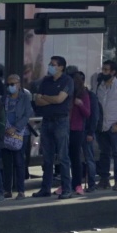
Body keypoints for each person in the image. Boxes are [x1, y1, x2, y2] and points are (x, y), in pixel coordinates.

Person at [33, 55, 74, 199]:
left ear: (61, 67)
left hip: (60, 121)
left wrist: (46, 98)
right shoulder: (46, 80)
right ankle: (45, 189)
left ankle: (66, 189)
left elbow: (60, 99)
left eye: (53, 64)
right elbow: (37, 101)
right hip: (47, 120)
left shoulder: (67, 80)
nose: (50, 66)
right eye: (50, 63)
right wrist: (51, 99)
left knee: (63, 156)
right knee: (47, 158)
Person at [94, 60, 117, 189]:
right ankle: (104, 179)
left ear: (113, 72)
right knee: (104, 153)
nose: (103, 72)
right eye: (103, 69)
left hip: (114, 125)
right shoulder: (100, 85)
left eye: (106, 70)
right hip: (102, 126)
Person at [1, 73, 34, 199]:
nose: (10, 87)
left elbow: (27, 115)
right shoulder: (5, 98)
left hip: (21, 133)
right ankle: (7, 190)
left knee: (19, 161)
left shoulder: (25, 97)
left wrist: (15, 128)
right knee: (7, 162)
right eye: (8, 84)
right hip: (6, 133)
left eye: (12, 84)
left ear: (19, 84)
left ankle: (21, 191)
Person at [68, 71, 93, 195]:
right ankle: (66, 183)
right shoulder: (66, 94)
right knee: (64, 157)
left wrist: (80, 104)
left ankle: (77, 184)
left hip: (77, 129)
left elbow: (88, 113)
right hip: (64, 128)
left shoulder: (83, 94)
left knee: (75, 157)